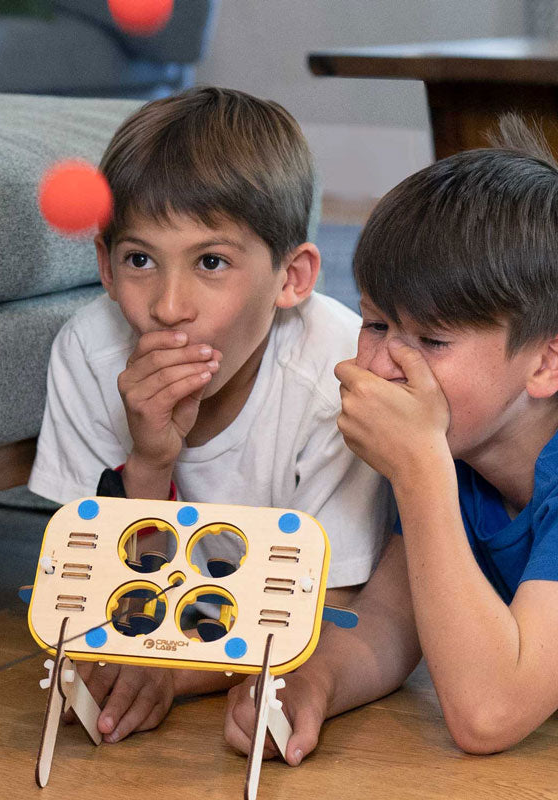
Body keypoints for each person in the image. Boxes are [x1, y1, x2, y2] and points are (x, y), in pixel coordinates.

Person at [27, 86, 394, 747]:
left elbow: (325, 603)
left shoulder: (339, 375)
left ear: (292, 278)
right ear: (104, 266)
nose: (169, 306)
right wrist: (149, 463)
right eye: (140, 260)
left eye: (211, 262)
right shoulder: (89, 351)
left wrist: (172, 673)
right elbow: (83, 584)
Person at [226, 115, 558, 760]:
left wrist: (420, 472)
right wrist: (314, 682)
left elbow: (489, 715)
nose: (383, 366)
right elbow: (388, 618)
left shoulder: (430, 457)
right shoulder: (458, 451)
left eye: (432, 340)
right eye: (375, 325)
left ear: (545, 362)